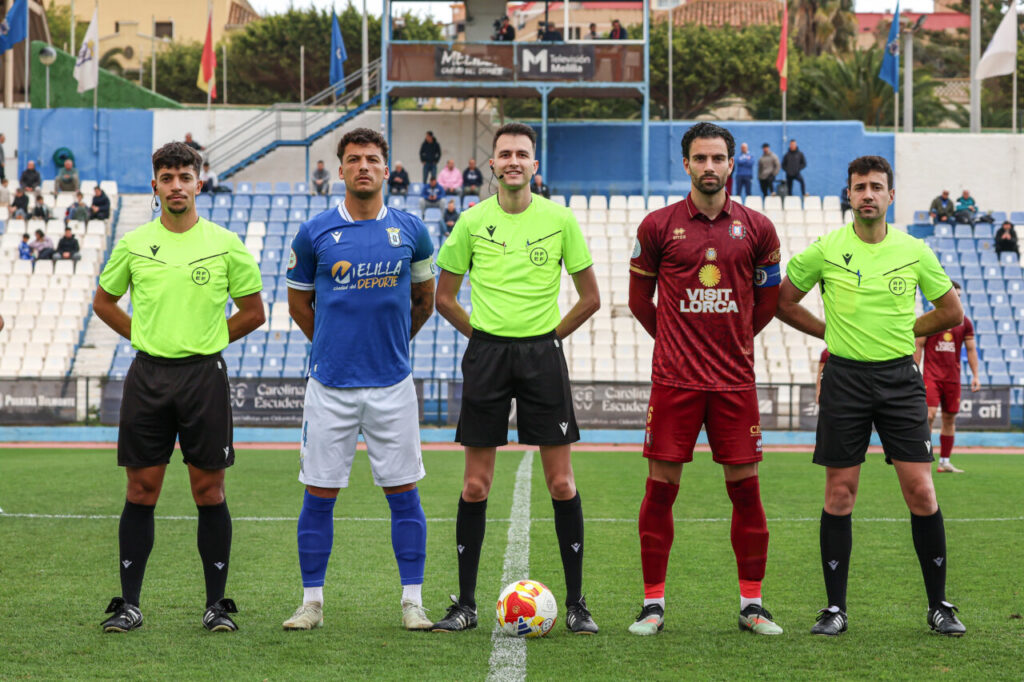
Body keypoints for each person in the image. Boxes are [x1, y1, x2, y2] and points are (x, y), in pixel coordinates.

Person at [776, 155, 966, 637]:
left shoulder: (914, 250)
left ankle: (939, 606)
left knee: (921, 491)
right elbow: (782, 301)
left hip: (901, 380)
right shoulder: (825, 249)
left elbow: (950, 311)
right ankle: (834, 610)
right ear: (849, 195)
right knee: (840, 494)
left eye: (876, 187)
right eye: (859, 187)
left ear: (890, 195)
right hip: (845, 380)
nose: (867, 194)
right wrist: (830, 333)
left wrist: (907, 330)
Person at [432, 122, 601, 635]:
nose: (512, 161)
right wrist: (480, 336)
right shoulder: (471, 221)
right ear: (491, 165)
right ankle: (465, 604)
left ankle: (576, 604)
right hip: (487, 356)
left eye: (521, 154)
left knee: (561, 481)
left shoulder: (560, 219)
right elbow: (444, 297)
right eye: (504, 153)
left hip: (541, 356)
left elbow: (590, 298)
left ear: (534, 166)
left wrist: (551, 339)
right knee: (476, 485)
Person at [92, 141, 265, 634]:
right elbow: (103, 302)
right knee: (140, 489)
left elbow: (254, 313)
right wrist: (144, 337)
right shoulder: (133, 243)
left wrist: (206, 341)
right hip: (148, 376)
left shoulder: (226, 243)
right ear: (155, 185)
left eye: (184, 176)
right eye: (166, 178)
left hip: (203, 377)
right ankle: (129, 604)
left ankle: (215, 605)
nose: (176, 186)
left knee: (209, 491)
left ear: (199, 182)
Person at [627, 122, 784, 637]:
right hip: (674, 382)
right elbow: (637, 301)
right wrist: (674, 341)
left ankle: (753, 605)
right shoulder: (656, 226)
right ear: (686, 164)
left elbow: (767, 304)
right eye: (700, 158)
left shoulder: (759, 229)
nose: (710, 167)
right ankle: (653, 606)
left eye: (718, 158)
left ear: (731, 163)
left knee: (745, 491)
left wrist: (736, 338)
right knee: (661, 489)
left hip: (735, 382)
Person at [281, 127, 436, 632]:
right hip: (330, 385)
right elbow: (300, 304)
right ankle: (311, 603)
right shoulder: (314, 232)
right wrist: (331, 343)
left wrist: (389, 342)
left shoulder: (412, 230)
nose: (364, 166)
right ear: (340, 170)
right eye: (354, 159)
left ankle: (413, 601)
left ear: (386, 169)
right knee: (318, 494)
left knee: (403, 493)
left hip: (392, 383)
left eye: (373, 158)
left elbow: (424, 302)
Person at [914, 282, 979, 474]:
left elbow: (971, 349)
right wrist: (915, 370)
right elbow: (918, 344)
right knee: (929, 415)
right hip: (931, 377)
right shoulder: (930, 319)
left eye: (959, 296)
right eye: (953, 295)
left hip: (953, 378)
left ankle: (944, 461)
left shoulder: (964, 322)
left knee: (950, 418)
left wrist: (976, 375)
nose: (957, 299)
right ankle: (921, 457)